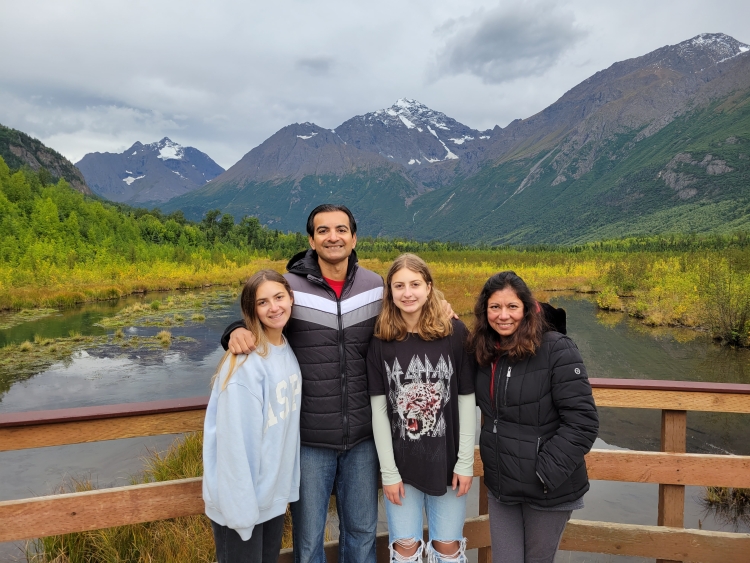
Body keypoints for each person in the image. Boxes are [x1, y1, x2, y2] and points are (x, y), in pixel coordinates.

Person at [221, 204, 383, 563]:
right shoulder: (289, 288)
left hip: (363, 438)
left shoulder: (375, 286)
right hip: (309, 440)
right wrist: (233, 331)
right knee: (308, 542)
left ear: (354, 237)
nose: (333, 237)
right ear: (311, 239)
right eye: (323, 230)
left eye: (341, 229)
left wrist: (444, 310)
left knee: (362, 535)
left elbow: (405, 324)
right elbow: (260, 317)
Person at [467, 271, 599, 563]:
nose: (504, 316)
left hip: (547, 489)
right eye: (495, 307)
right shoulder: (484, 351)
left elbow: (583, 423)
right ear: (484, 310)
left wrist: (544, 473)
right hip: (503, 486)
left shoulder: (556, 349)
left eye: (512, 306)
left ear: (527, 308)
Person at [367, 254, 476, 563]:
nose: (407, 293)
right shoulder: (381, 340)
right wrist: (388, 472)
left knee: (448, 547)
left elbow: (467, 402)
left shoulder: (455, 334)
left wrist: (465, 462)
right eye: (398, 286)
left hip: (449, 465)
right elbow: (379, 411)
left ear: (429, 288)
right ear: (390, 292)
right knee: (404, 548)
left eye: (415, 284)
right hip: (401, 468)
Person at [203, 269, 302, 563]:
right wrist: (242, 515)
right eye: (262, 302)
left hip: (269, 499)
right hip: (241, 509)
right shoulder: (245, 366)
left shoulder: (284, 347)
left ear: (291, 298)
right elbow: (234, 445)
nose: (274, 307)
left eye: (279, 297)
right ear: (251, 310)